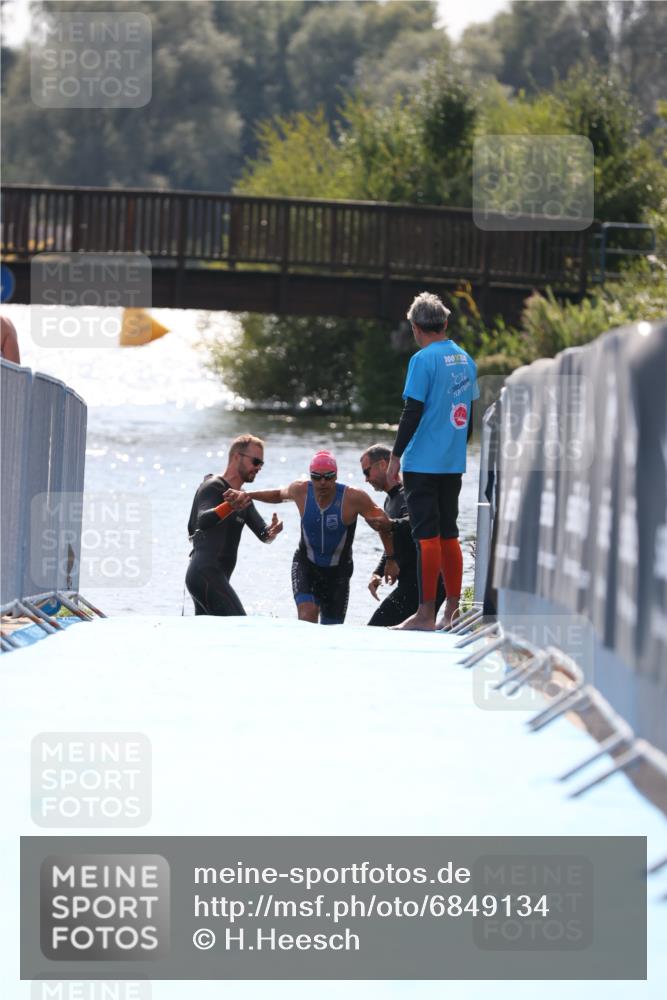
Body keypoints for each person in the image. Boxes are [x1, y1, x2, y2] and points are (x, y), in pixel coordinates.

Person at [387, 292, 478, 631]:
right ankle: (451, 610)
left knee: (425, 536)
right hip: (452, 463)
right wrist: (454, 447)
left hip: (422, 462)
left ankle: (425, 614)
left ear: (415, 327)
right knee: (448, 534)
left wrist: (395, 457)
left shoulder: (422, 360)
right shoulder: (466, 360)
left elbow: (412, 411)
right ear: (445, 323)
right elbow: (468, 419)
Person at [225, 450, 395, 625]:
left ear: (336, 476)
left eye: (328, 477)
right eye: (316, 477)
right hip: (306, 566)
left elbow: (383, 524)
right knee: (307, 618)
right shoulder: (301, 490)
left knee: (331, 630)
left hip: (338, 574)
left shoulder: (353, 497)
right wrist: (248, 495)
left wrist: (390, 559)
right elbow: (278, 494)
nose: (322, 482)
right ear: (310, 477)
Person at [185, 434, 283, 616]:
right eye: (255, 461)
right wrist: (229, 506)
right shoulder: (213, 486)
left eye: (262, 464)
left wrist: (273, 531)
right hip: (204, 572)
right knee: (241, 627)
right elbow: (202, 521)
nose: (259, 468)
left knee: (210, 638)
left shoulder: (244, 498)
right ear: (237, 457)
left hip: (217, 578)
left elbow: (263, 534)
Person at [361, 444, 445, 627]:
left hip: (423, 584)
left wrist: (390, 524)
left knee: (374, 629)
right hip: (410, 582)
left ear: (383, 464)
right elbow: (395, 541)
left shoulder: (407, 493)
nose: (366, 480)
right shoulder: (389, 499)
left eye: (367, 472)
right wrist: (378, 571)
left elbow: (415, 523)